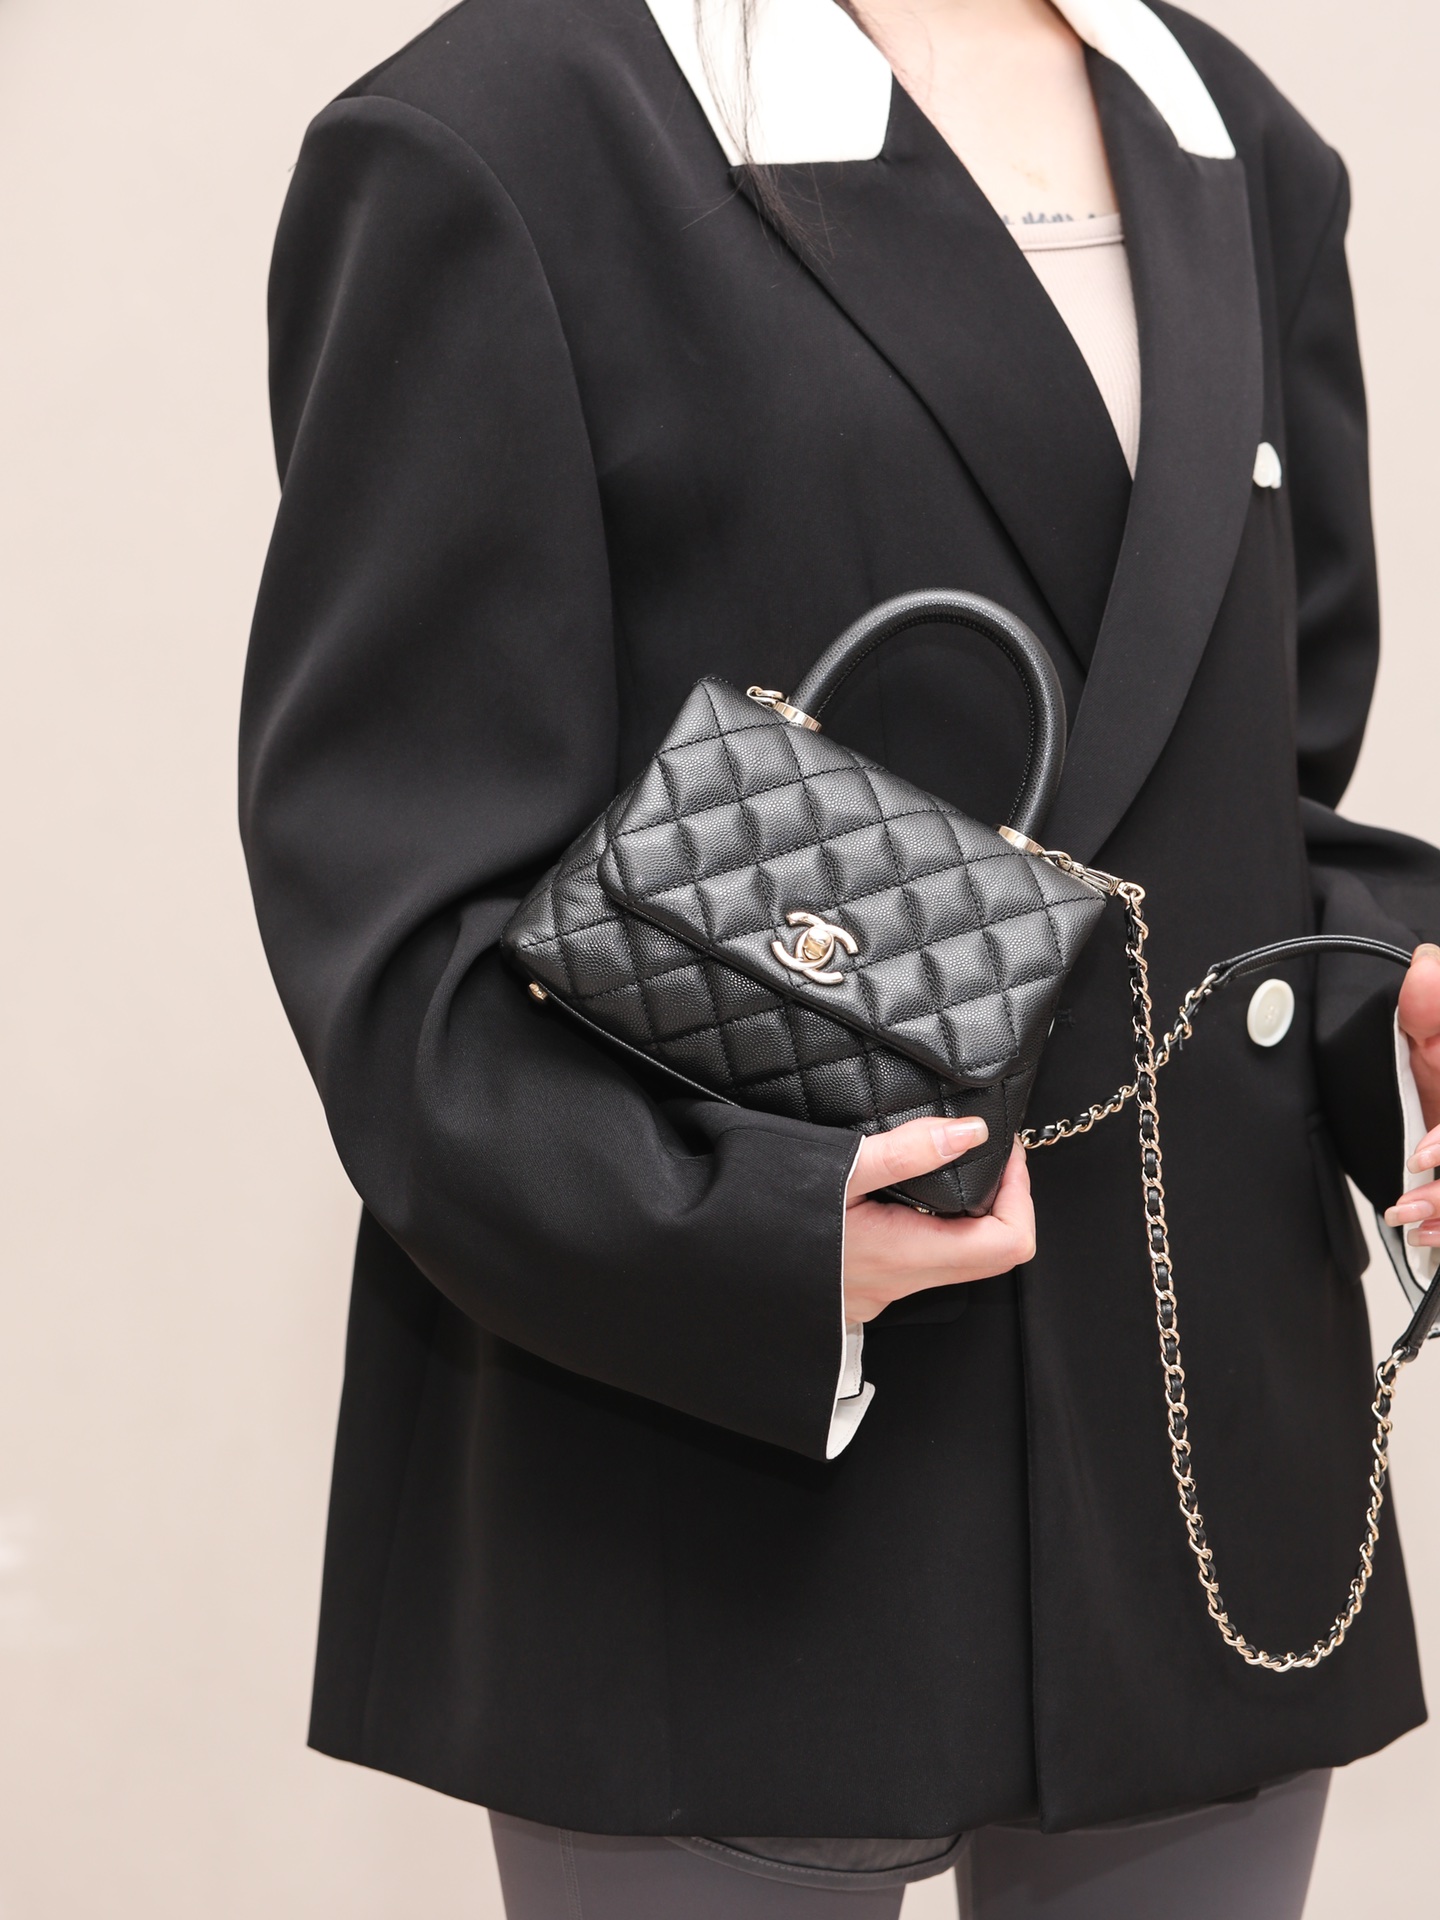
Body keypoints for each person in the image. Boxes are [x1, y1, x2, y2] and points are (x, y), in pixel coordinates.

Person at [240, 0, 1440, 1912]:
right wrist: (750, 1234)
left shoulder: (1236, 138)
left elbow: (1256, 804)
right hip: (709, 1467)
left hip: (1197, 1452)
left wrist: (1395, 1000)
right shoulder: (494, 141)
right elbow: (400, 919)